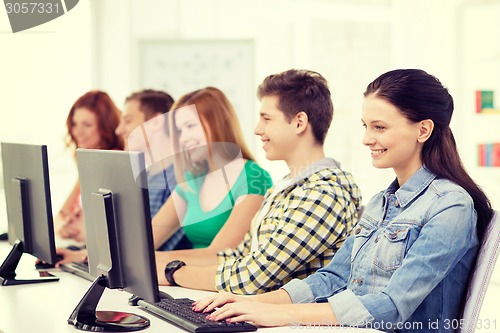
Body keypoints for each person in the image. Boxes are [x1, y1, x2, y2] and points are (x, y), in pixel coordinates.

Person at [193, 69, 494, 332]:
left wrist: (278, 313)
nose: (366, 139)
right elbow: (333, 277)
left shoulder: (451, 206)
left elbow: (390, 308)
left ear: (423, 130)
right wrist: (250, 302)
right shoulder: (381, 202)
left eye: (379, 127)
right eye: (366, 126)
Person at [156, 69, 361, 295]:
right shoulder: (284, 189)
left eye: (266, 119)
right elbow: (239, 255)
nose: (257, 129)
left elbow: (253, 276)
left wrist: (173, 271)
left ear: (299, 123)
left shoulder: (324, 194)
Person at [151, 87, 273, 256]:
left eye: (190, 126)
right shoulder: (192, 179)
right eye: (179, 131)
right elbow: (147, 240)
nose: (183, 138)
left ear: (218, 122)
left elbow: (218, 254)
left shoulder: (254, 177)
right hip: (183, 279)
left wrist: (153, 260)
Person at [54, 90, 123, 247]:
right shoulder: (90, 162)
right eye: (75, 124)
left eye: (87, 124)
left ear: (105, 126)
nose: (78, 132)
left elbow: (98, 229)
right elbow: (60, 221)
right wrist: (67, 226)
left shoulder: (112, 161)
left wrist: (71, 227)